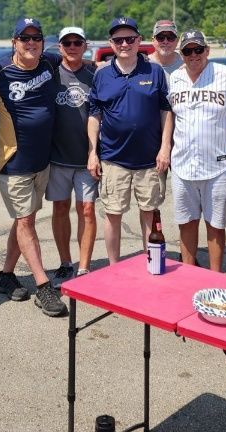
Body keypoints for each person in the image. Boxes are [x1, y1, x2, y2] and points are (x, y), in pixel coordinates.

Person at [0, 17, 67, 317]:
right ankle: (43, 286)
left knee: (26, 220)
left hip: (41, 161)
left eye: (36, 38)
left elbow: (75, 59)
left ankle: (5, 276)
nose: (31, 43)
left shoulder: (48, 63)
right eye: (24, 38)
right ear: (14, 42)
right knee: (26, 222)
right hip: (13, 161)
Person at [88, 16, 172, 264]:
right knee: (112, 214)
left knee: (149, 213)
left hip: (149, 160)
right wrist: (93, 152)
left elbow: (166, 110)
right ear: (110, 43)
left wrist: (165, 147)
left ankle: (152, 264)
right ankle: (114, 267)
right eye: (118, 40)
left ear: (139, 40)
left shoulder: (154, 71)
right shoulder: (102, 75)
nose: (125, 44)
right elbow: (94, 115)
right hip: (114, 159)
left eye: (130, 39)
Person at [168, 30, 226, 270]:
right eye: (187, 50)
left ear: (207, 51)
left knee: (215, 225)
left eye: (198, 49)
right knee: (186, 223)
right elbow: (168, 116)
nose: (193, 55)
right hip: (182, 164)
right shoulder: (174, 78)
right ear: (182, 54)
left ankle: (215, 277)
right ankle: (189, 274)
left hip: (218, 165)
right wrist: (165, 148)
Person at [46, 26, 98, 285]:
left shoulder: (94, 74)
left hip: (86, 157)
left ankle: (85, 266)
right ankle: (66, 262)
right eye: (67, 43)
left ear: (85, 45)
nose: (73, 46)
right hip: (57, 157)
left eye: (78, 42)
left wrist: (95, 152)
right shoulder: (50, 74)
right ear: (60, 47)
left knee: (87, 210)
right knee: (60, 208)